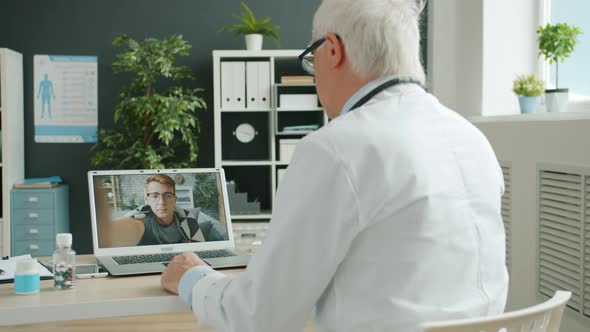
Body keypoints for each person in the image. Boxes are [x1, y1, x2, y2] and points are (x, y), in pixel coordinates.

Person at [161, 0, 509, 331]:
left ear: (332, 50)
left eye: (312, 61)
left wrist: (194, 277)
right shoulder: (471, 139)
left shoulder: (335, 148)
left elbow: (259, 318)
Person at [100, 174, 226, 247]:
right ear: (147, 200)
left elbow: (200, 249)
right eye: (155, 196)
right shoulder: (141, 219)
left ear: (175, 199)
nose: (161, 202)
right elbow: (122, 228)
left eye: (167, 195)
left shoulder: (186, 218)